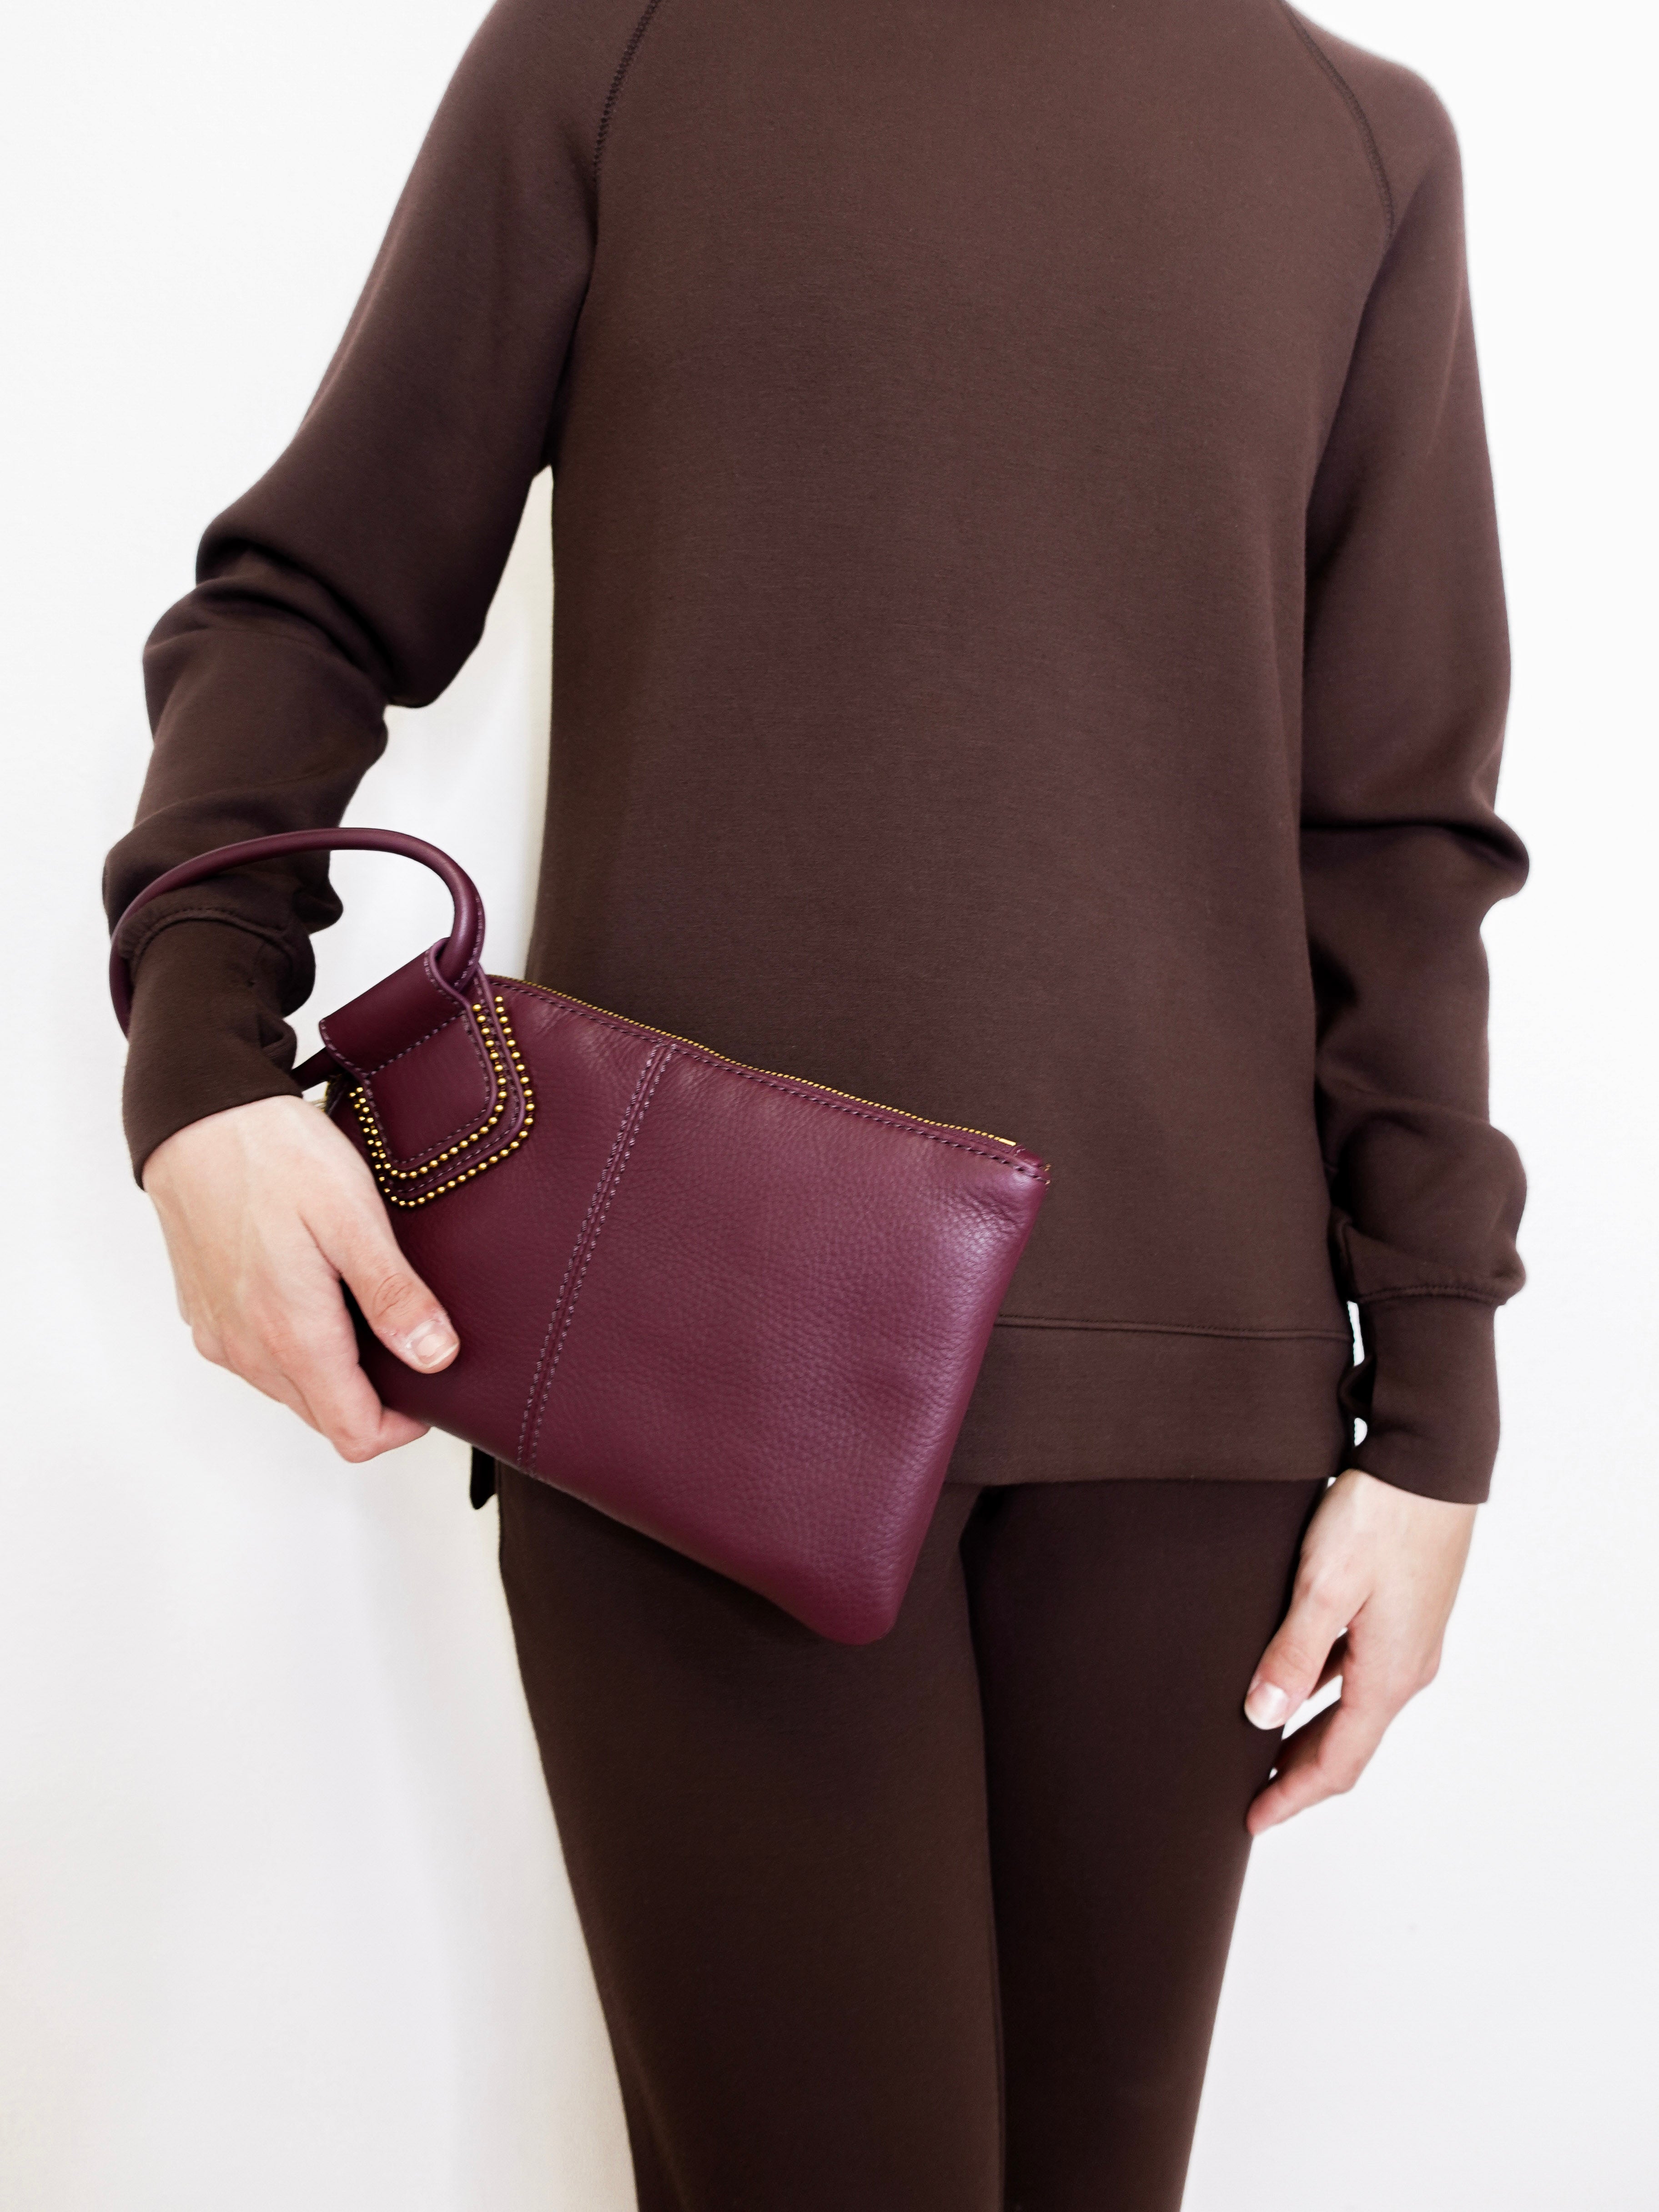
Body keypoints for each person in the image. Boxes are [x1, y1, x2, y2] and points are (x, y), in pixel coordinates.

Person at [104, 0, 1526, 2205]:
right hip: (700, 1369)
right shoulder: (616, 53)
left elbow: (1396, 835)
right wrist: (199, 1067)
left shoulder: (1358, 143)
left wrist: (1437, 1413)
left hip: (1191, 1422)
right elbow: (306, 600)